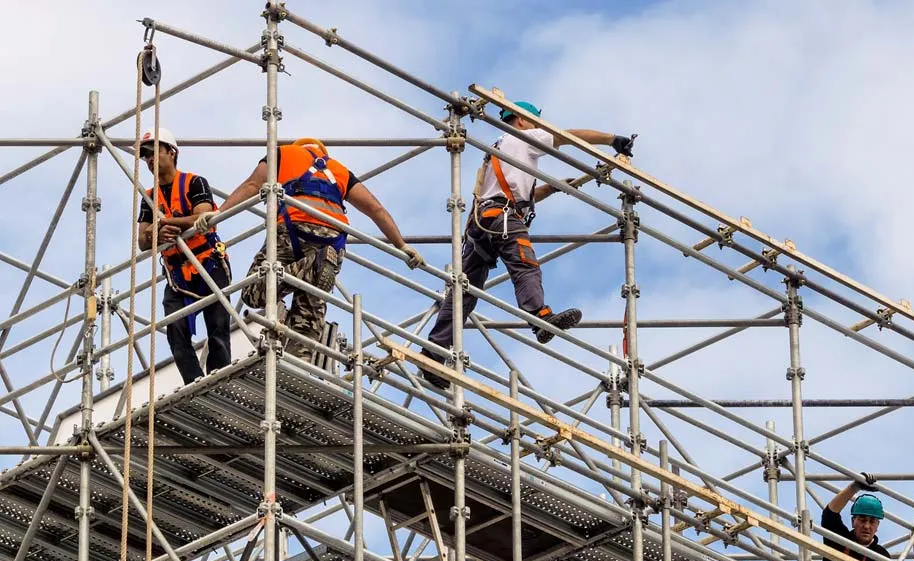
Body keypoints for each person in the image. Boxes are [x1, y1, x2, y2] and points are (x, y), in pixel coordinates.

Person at [420, 101, 636, 390]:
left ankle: (433, 353)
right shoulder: (524, 137)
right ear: (521, 120)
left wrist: (550, 187)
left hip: (482, 224)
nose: (539, 128)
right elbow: (566, 136)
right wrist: (612, 140)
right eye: (535, 122)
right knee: (525, 265)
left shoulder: (500, 148)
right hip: (503, 220)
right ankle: (540, 317)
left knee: (464, 294)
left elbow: (511, 194)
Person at [208, 138, 424, 362]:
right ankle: (299, 362)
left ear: (299, 147)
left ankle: (315, 265)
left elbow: (252, 186)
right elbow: (375, 208)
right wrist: (401, 245)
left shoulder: (284, 154)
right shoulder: (340, 170)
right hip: (333, 242)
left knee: (253, 292)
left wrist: (219, 214)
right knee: (309, 313)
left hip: (293, 230)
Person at [136, 128, 232, 385]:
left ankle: (219, 381)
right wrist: (158, 231)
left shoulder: (194, 183)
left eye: (154, 152)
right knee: (176, 332)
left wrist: (170, 223)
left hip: (208, 264)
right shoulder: (149, 197)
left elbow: (205, 218)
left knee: (218, 328)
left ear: (172, 152)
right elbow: (142, 242)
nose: (149, 160)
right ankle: (194, 383)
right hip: (177, 274)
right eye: (145, 156)